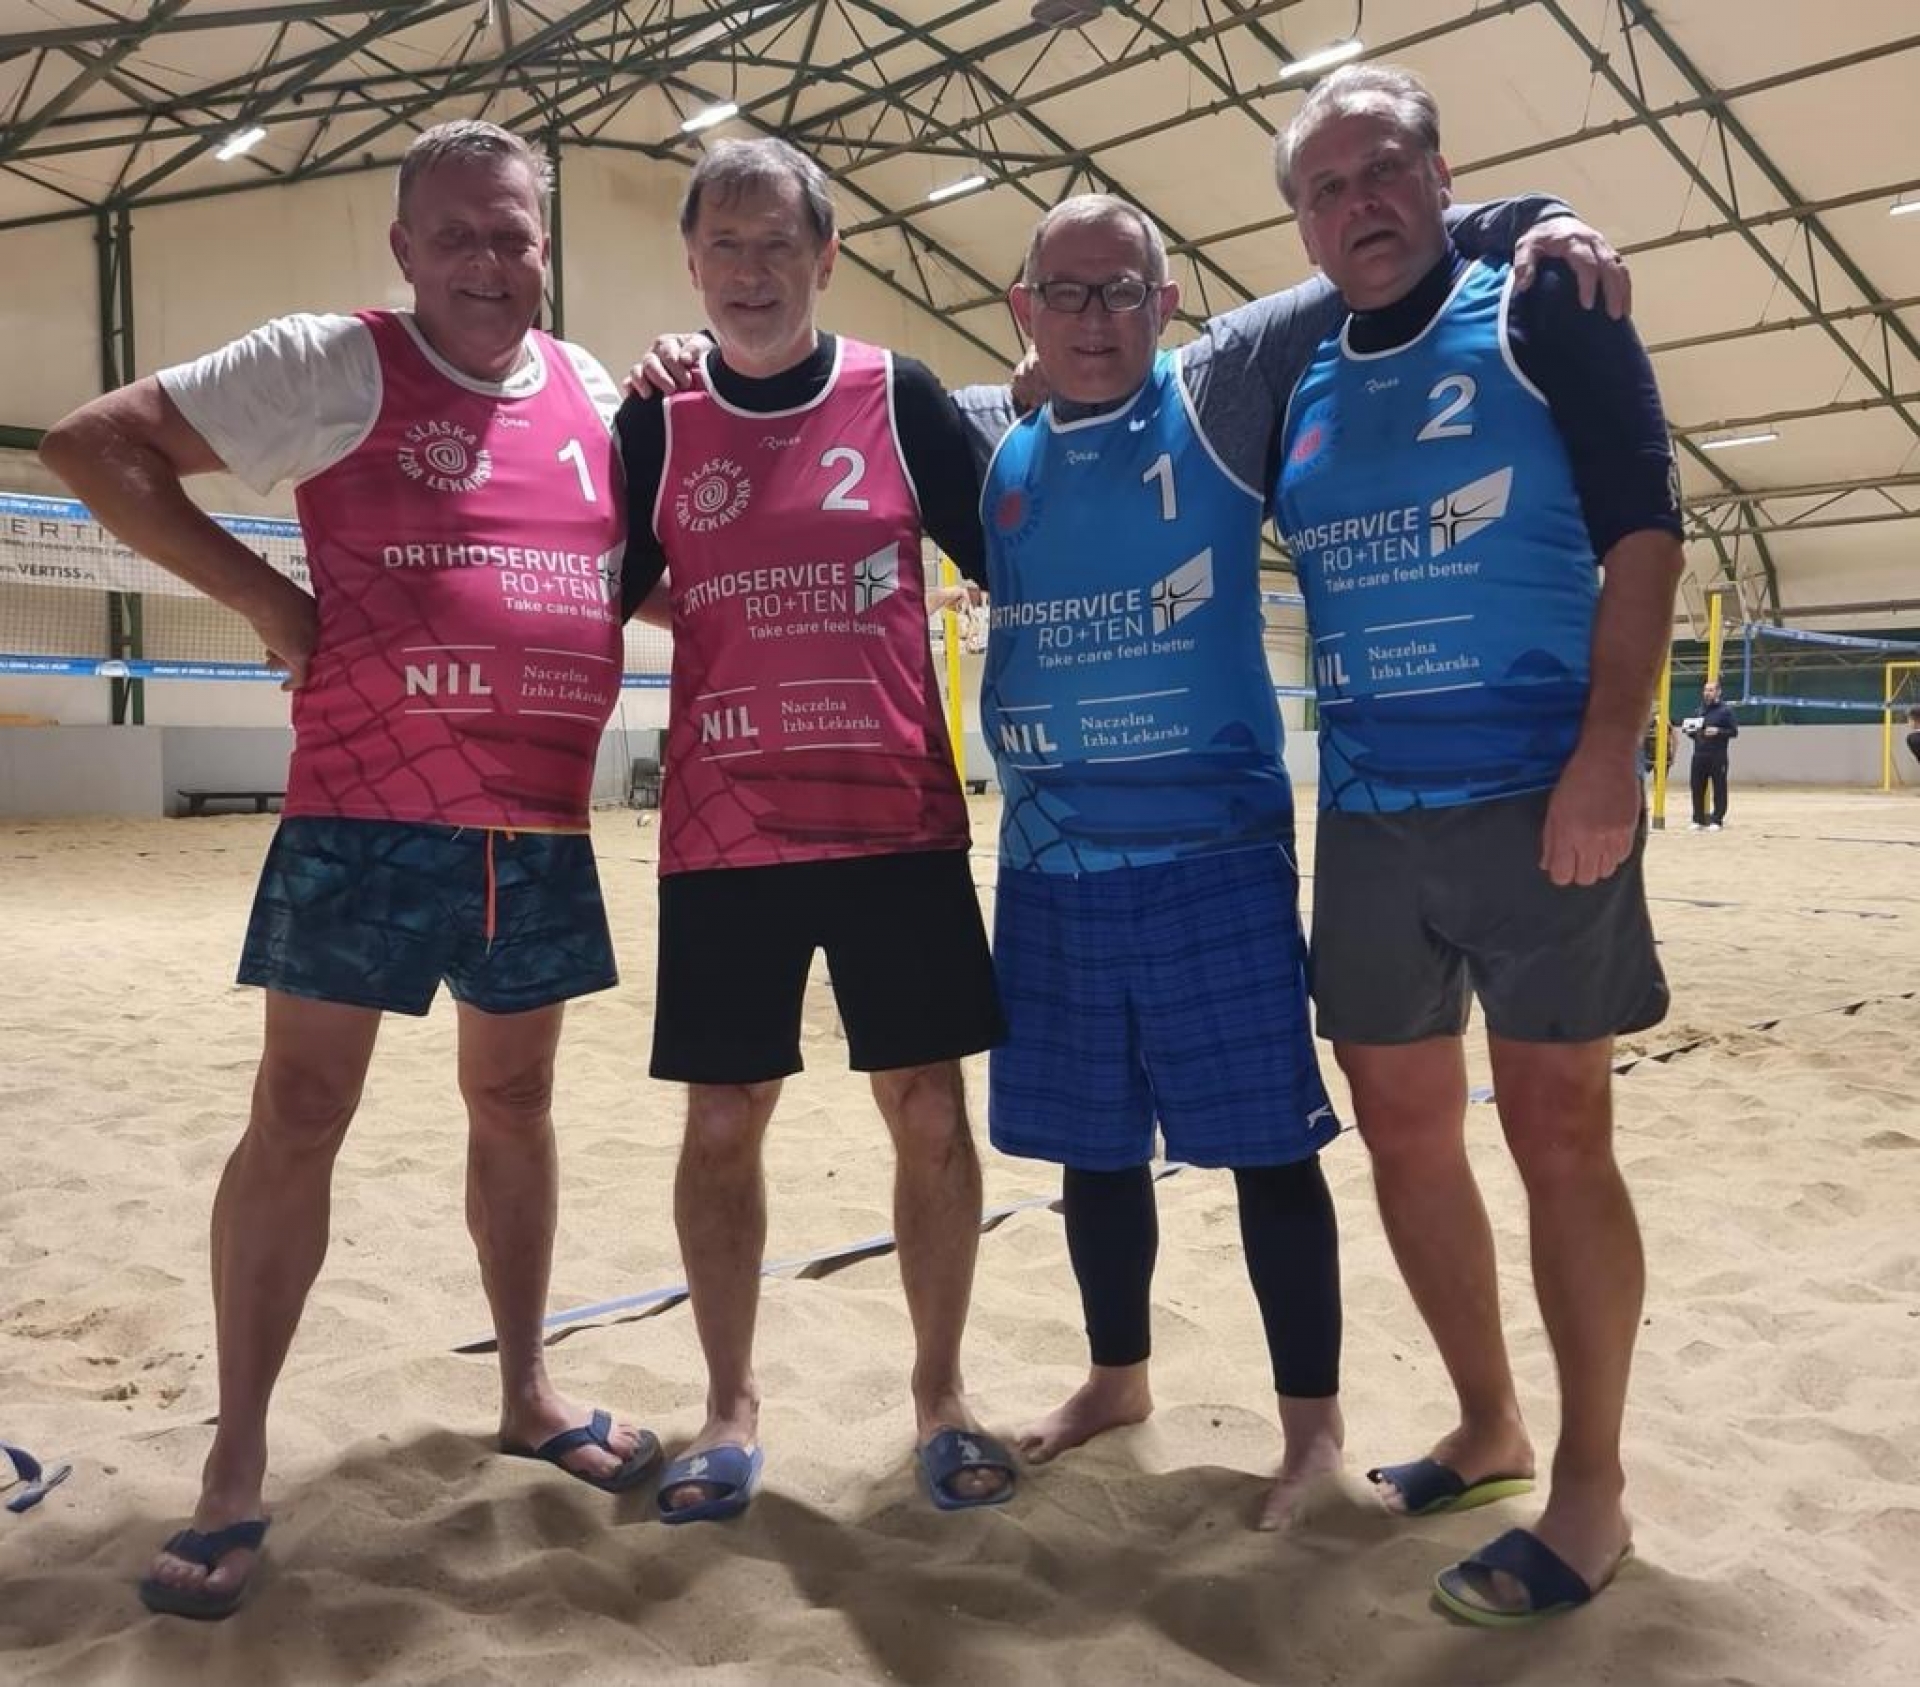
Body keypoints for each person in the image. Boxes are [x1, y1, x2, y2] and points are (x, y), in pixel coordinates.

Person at [635, 174, 1627, 1532]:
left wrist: (1520, 221)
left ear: (1163, 302)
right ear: (1022, 308)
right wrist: (683, 362)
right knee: (1094, 1152)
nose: (1093, 316)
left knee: (1266, 1151)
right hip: (1050, 860)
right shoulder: (984, 430)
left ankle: (1312, 1427)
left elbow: (1367, 248)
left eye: (1119, 290)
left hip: (1210, 849)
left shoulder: (1217, 389)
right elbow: (783, 424)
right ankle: (1117, 1376)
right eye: (1066, 292)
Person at [38, 121, 655, 1620]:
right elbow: (92, 446)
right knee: (302, 1111)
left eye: (512, 234)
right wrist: (275, 604)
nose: (488, 260)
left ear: (544, 244)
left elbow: (642, 561)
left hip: (539, 824)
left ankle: (526, 1386)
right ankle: (237, 1456)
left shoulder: (590, 389)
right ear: (403, 249)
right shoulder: (334, 360)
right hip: (363, 813)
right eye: (458, 234)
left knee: (517, 1103)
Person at [1272, 64, 1683, 1622]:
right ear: (1302, 224)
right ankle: (1490, 1421)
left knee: (1560, 1128)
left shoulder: (1542, 303)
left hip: (1537, 790)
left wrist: (1608, 751)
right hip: (1371, 814)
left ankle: (1592, 1485)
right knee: (1403, 1126)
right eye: (1326, 187)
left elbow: (1645, 529)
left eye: (1386, 168)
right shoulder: (1303, 364)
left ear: (1442, 176)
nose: (1360, 203)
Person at [613, 138, 1013, 1521]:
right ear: (691, 265)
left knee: (928, 1106)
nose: (751, 269)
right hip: (725, 829)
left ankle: (941, 1393)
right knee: (724, 1116)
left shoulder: (898, 394)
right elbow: (591, 584)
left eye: (776, 241)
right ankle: (728, 1406)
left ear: (826, 255)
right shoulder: (657, 422)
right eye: (724, 245)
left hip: (895, 819)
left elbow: (1013, 553)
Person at [1683, 679, 1740, 828]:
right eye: (1705, 690)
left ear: (1718, 692)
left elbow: (1734, 732)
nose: (1707, 693)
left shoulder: (1725, 711)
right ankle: (1698, 819)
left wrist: (1718, 731)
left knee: (1719, 788)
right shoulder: (1698, 711)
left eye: (1711, 690)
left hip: (1717, 756)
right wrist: (1691, 732)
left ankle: (1717, 819)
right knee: (1696, 787)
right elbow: (1693, 733)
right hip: (1699, 755)